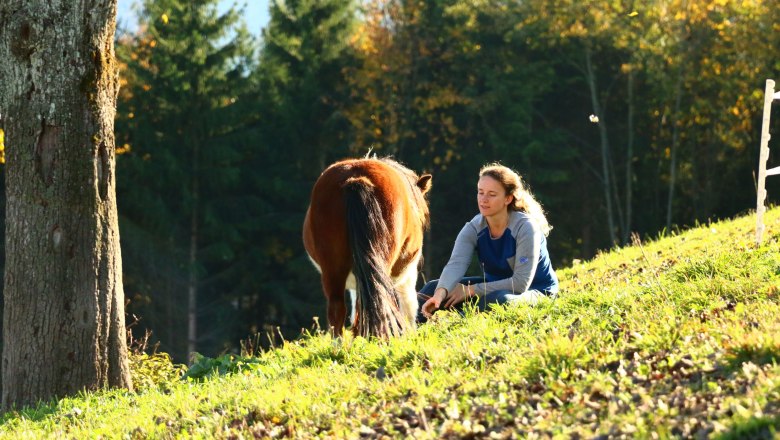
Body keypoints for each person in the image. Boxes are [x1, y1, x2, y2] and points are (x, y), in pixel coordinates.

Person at [419, 163, 559, 321]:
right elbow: (456, 264)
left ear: (508, 198)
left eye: (492, 194)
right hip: (492, 287)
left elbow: (520, 284)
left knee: (499, 299)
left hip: (536, 292)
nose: (484, 200)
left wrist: (470, 290)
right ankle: (404, 331)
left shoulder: (526, 227)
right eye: (480, 192)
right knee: (432, 287)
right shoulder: (473, 227)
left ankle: (464, 326)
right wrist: (439, 295)